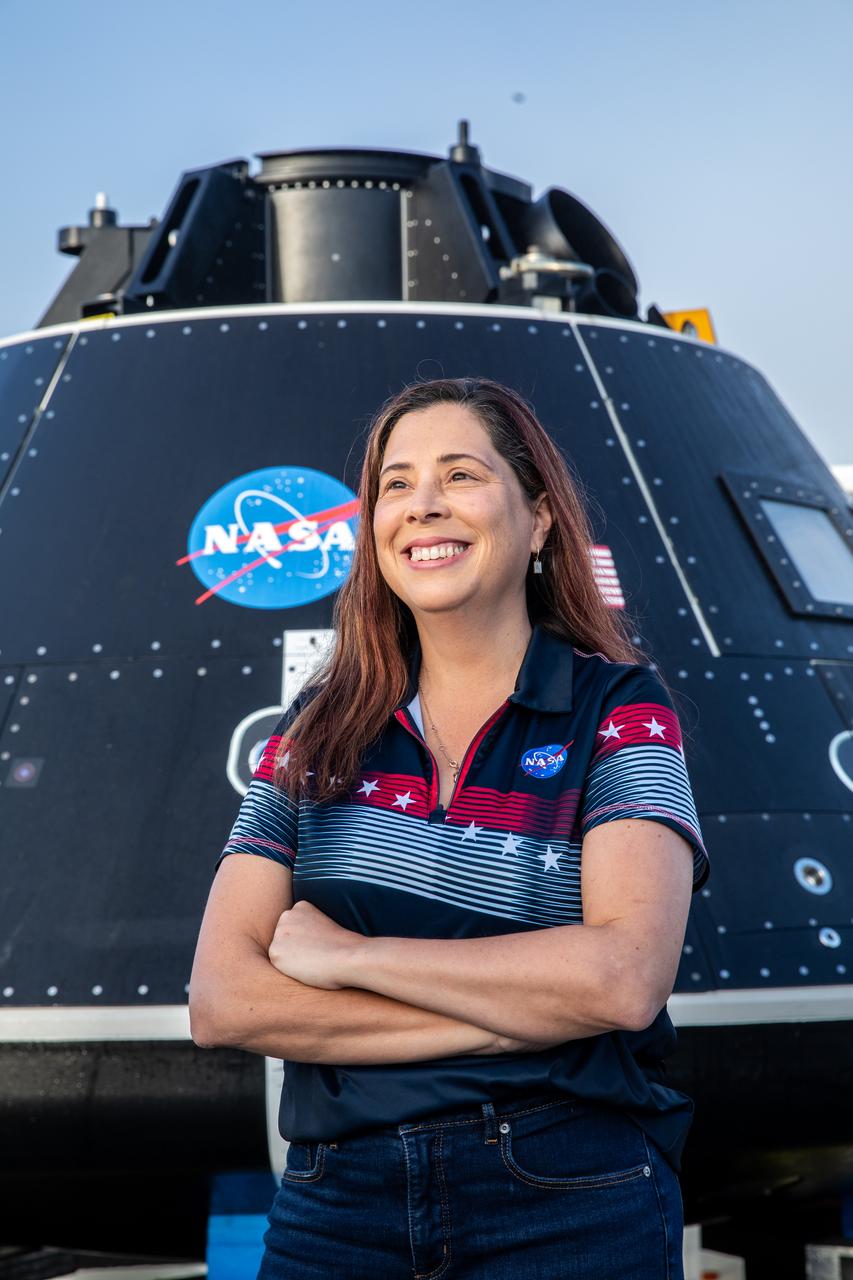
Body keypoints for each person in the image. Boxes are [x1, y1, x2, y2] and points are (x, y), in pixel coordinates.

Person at [189, 376, 710, 1279]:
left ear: (541, 520)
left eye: (460, 475)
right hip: (334, 1207)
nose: (422, 504)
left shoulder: (619, 710)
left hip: (566, 1198)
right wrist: (524, 1017)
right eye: (395, 483)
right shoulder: (312, 733)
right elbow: (225, 1002)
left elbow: (622, 982)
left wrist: (352, 959)